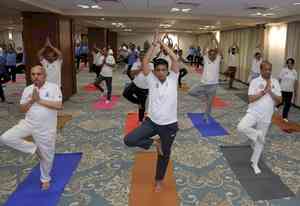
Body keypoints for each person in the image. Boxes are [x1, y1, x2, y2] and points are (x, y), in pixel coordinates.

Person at [124, 31, 179, 192]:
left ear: (167, 71)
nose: (161, 72)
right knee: (129, 140)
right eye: (158, 70)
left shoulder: (173, 79)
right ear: (154, 71)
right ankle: (154, 142)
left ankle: (159, 180)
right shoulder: (151, 79)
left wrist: (163, 45)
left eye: (163, 70)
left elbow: (175, 59)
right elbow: (145, 62)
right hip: (152, 122)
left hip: (169, 126)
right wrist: (154, 45)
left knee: (164, 155)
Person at [0, 65, 63, 190]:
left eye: (38, 74)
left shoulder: (54, 87)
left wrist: (39, 100)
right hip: (28, 123)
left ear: (44, 75)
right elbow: (22, 109)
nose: (36, 77)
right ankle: (34, 149)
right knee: (5, 137)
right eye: (33, 74)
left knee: (47, 156)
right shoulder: (28, 89)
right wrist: (31, 101)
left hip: (46, 128)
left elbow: (59, 105)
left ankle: (45, 178)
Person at [237, 61, 281, 175]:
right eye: (266, 69)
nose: (268, 71)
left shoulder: (275, 82)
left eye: (270, 69)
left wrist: (270, 91)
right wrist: (263, 92)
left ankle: (254, 163)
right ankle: (256, 135)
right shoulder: (255, 81)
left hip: (267, 115)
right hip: (253, 112)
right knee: (241, 127)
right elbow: (250, 99)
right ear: (261, 70)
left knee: (259, 143)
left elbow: (279, 100)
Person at [188, 35, 222, 122]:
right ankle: (203, 97)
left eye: (214, 54)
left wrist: (215, 40)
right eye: (211, 54)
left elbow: (220, 49)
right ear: (208, 54)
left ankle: (206, 116)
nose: (212, 55)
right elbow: (204, 49)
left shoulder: (218, 59)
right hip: (203, 83)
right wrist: (209, 40)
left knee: (209, 104)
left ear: (216, 54)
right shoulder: (206, 58)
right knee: (191, 91)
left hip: (213, 85)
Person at [123, 51, 153, 123]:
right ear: (139, 57)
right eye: (141, 56)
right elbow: (132, 74)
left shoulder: (151, 64)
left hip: (144, 88)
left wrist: (145, 67)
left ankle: (140, 120)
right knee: (125, 94)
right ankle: (138, 102)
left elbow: (151, 74)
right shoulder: (136, 64)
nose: (142, 57)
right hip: (135, 84)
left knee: (142, 106)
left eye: (144, 55)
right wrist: (140, 69)